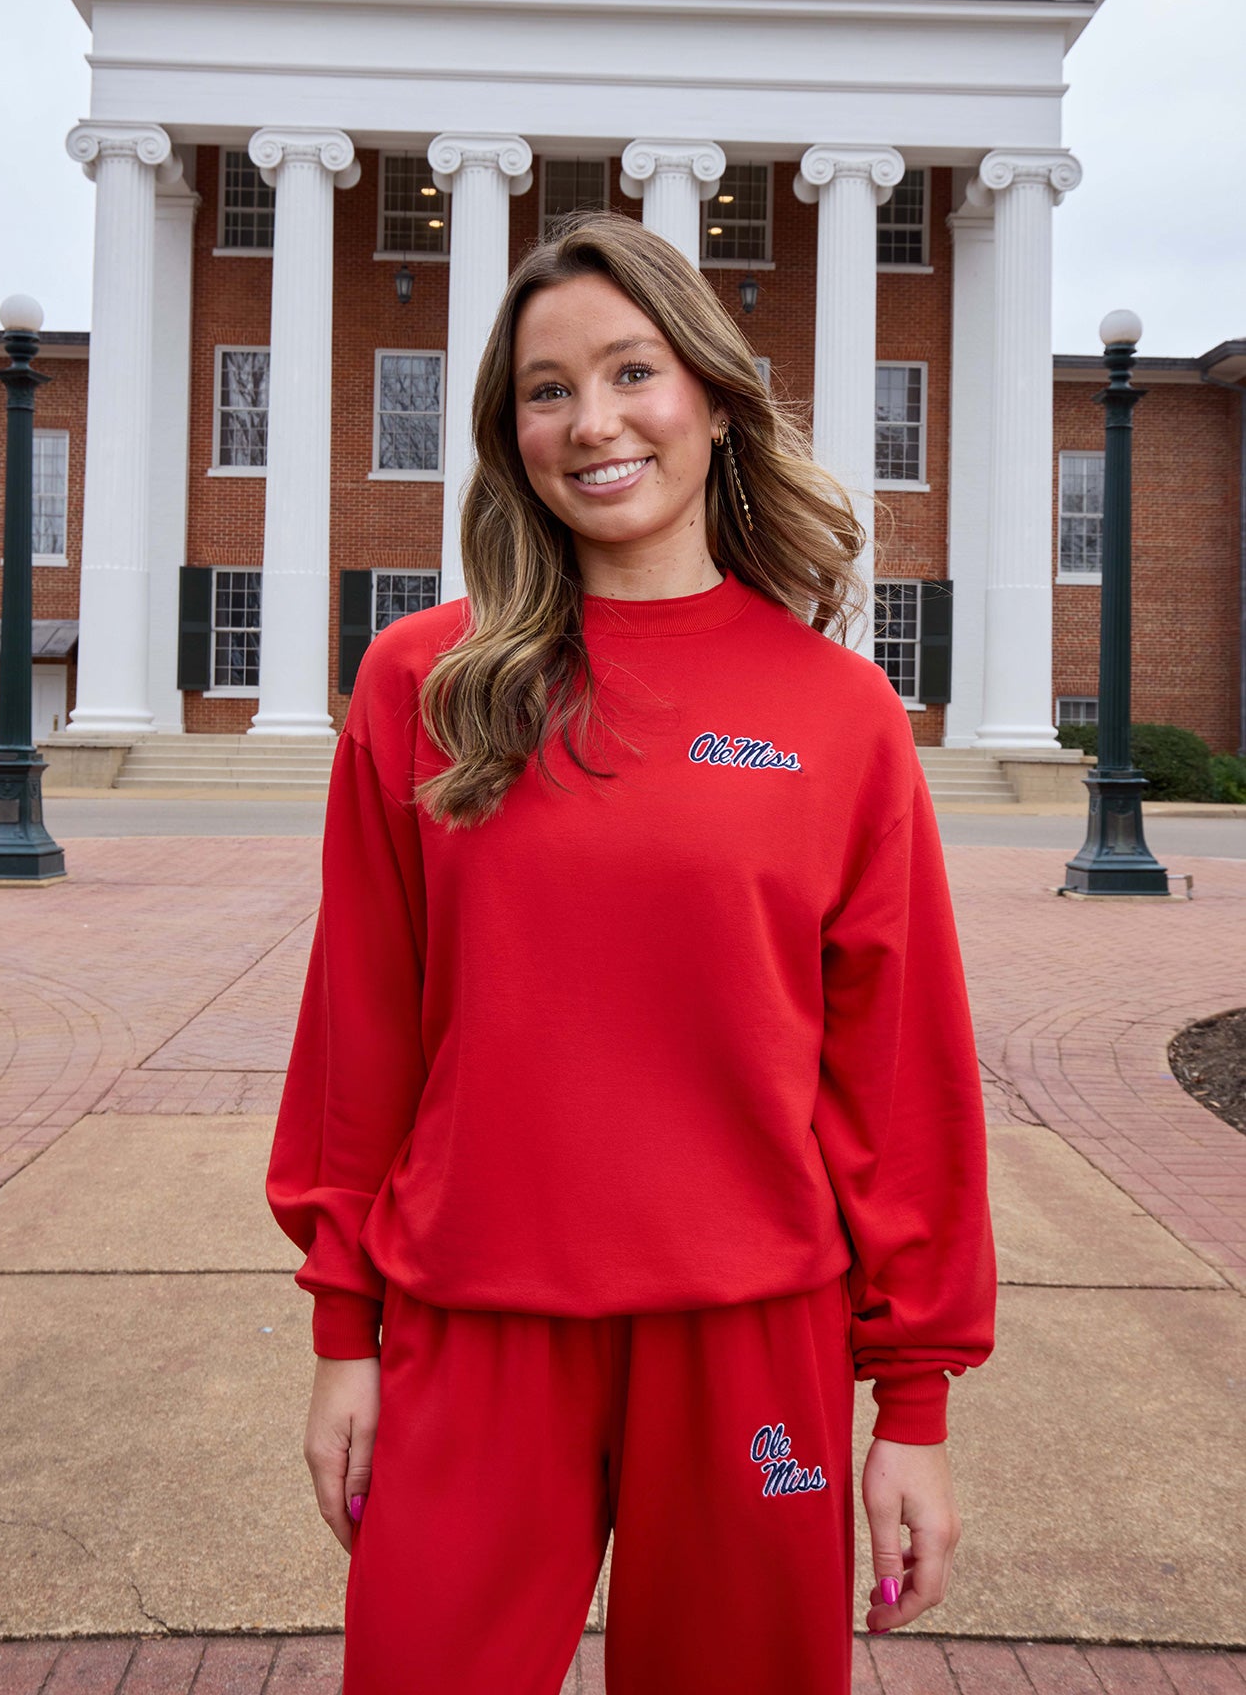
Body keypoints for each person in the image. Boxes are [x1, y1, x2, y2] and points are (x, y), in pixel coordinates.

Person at [266, 208, 996, 1695]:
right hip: (471, 1322)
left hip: (748, 1338)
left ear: (713, 401)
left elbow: (898, 1077)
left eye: (630, 371)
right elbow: (361, 1035)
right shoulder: (426, 685)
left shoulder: (837, 714)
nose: (590, 422)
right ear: (509, 428)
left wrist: (907, 1407)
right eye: (545, 389)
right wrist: (347, 1329)